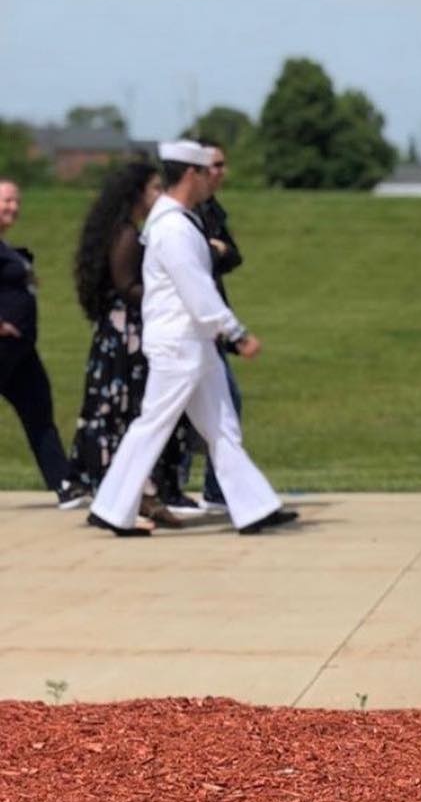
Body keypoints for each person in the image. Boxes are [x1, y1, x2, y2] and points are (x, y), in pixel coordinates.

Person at [88, 140, 296, 538]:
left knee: (222, 427)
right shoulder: (173, 228)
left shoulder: (178, 222)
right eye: (205, 172)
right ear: (190, 174)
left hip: (193, 342)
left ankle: (255, 507)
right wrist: (235, 333)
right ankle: (112, 508)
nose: (211, 180)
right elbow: (197, 289)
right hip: (180, 343)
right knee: (154, 425)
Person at [64, 160, 192, 515]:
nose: (161, 194)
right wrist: (169, 295)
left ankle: (138, 495)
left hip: (120, 333)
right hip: (126, 336)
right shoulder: (125, 235)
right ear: (137, 194)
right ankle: (128, 497)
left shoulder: (123, 231)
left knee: (128, 411)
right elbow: (126, 286)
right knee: (127, 411)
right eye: (155, 188)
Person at [0, 178, 70, 500]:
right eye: (6, 200)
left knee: (39, 412)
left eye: (17, 201)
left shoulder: (5, 246)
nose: (13, 207)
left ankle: (64, 484)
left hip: (21, 349)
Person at [186, 137, 245, 515]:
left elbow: (233, 255)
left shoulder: (211, 208)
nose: (221, 172)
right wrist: (212, 249)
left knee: (222, 403)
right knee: (174, 412)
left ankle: (215, 488)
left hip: (211, 320)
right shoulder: (183, 211)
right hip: (190, 325)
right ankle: (174, 487)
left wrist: (216, 249)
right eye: (215, 165)